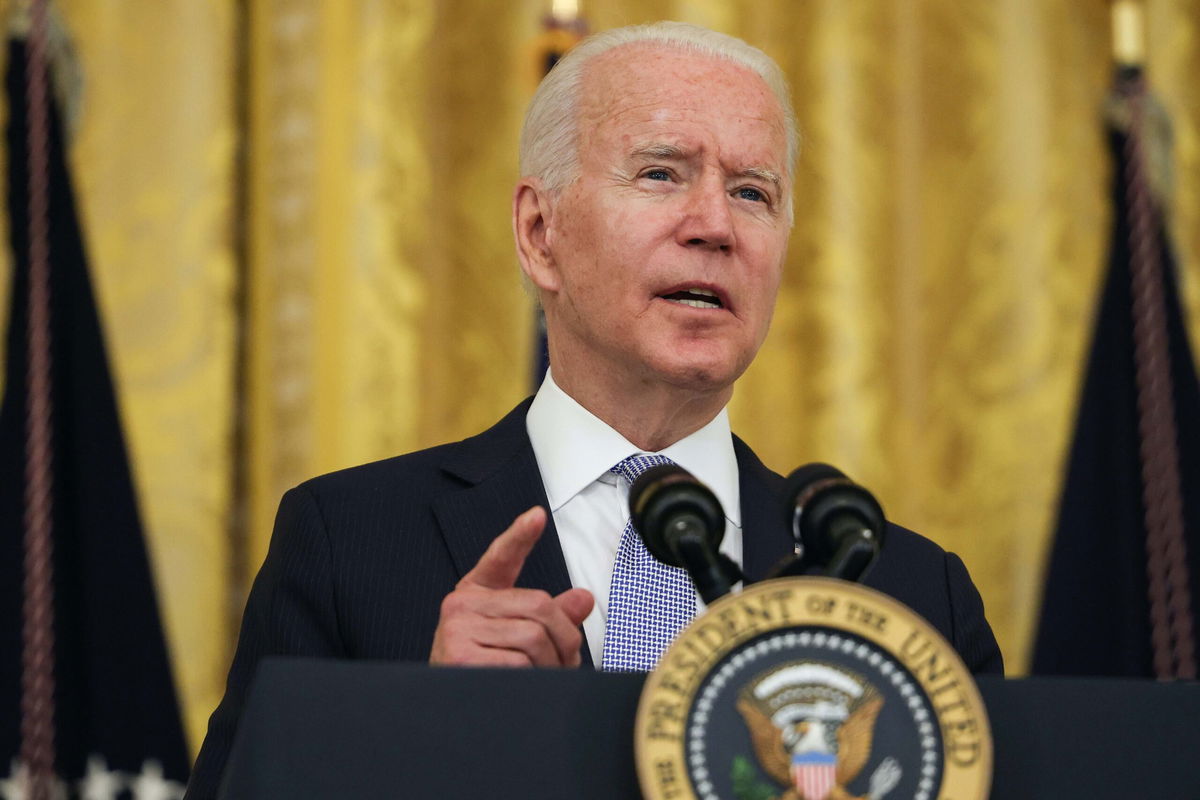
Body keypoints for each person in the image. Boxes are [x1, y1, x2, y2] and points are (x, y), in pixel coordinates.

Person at [185, 21, 1002, 798]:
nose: (715, 225)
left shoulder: (912, 595)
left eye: (753, 192)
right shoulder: (350, 545)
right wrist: (424, 731)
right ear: (541, 234)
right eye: (660, 174)